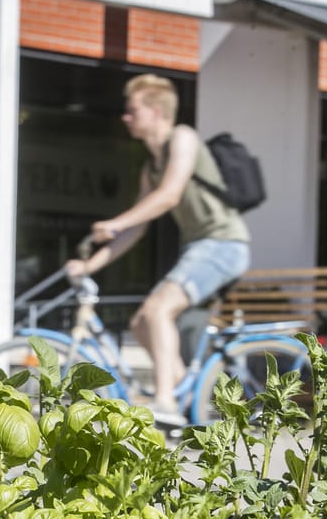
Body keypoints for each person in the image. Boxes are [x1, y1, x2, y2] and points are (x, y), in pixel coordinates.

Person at [64, 74, 250, 426]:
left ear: (156, 111)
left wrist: (114, 222)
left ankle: (165, 401)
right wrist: (90, 266)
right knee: (140, 324)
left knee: (158, 310)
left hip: (224, 243)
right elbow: (136, 227)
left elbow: (169, 196)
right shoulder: (150, 165)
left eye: (132, 110)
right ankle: (183, 391)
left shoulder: (183, 137)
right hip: (201, 246)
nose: (125, 117)